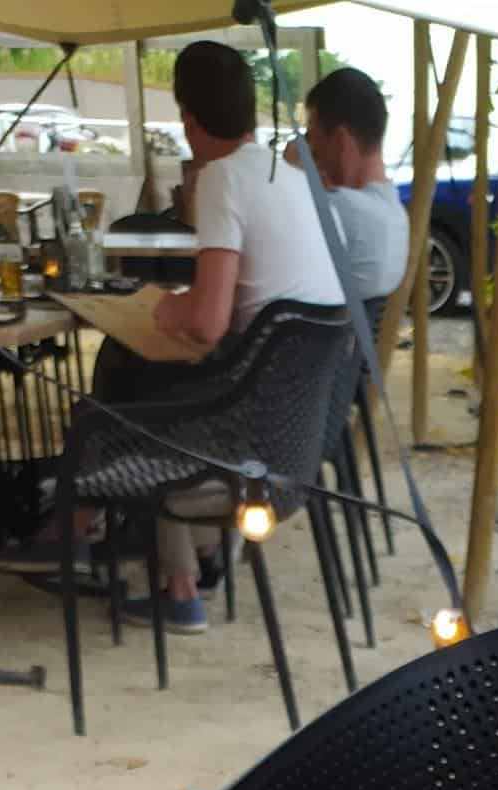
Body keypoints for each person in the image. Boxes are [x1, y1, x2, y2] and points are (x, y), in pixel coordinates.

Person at [127, 41, 342, 634]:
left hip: (247, 442)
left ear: (188, 119)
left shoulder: (221, 178)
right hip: (297, 438)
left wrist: (164, 307)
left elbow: (207, 321)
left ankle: (180, 590)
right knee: (169, 390)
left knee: (135, 402)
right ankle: (204, 556)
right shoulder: (291, 177)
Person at [303, 67, 408, 302]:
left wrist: (292, 172)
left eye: (314, 142)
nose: (313, 156)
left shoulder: (340, 208)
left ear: (340, 141)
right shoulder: (396, 213)